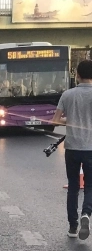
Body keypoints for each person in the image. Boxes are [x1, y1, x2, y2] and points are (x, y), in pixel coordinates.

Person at [51, 60, 92, 239]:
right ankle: (86, 214)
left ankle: (73, 227)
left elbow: (55, 121)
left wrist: (71, 120)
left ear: (77, 74)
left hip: (72, 148)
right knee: (90, 186)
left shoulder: (67, 95)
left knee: (73, 186)